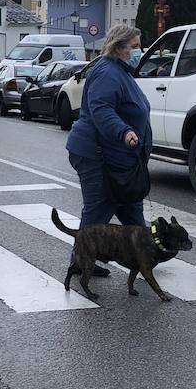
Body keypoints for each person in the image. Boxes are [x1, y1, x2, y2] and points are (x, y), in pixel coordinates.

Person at [63, 24, 152, 276]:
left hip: (120, 157)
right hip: (97, 154)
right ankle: (81, 261)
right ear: (118, 47)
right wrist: (124, 132)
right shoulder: (107, 72)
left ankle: (145, 253)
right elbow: (102, 109)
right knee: (100, 207)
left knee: (130, 205)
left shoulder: (121, 71)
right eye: (134, 47)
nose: (139, 51)